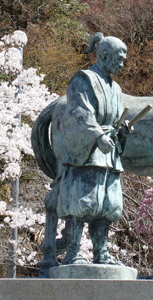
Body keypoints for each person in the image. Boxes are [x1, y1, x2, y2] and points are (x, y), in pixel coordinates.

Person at [55, 32, 128, 265]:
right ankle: (73, 252)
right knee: (81, 202)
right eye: (119, 57)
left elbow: (113, 118)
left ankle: (101, 253)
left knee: (106, 205)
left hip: (109, 152)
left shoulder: (115, 87)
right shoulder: (83, 79)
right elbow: (79, 113)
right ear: (104, 55)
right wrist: (97, 136)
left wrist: (121, 129)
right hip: (87, 150)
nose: (122, 63)